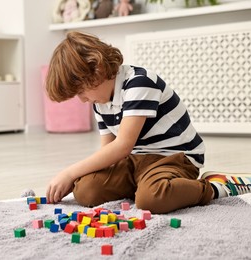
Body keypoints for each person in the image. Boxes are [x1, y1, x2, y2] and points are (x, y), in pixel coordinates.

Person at [44, 31, 251, 213]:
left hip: (174, 157)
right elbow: (108, 153)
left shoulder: (139, 83)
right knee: (86, 190)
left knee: (151, 199)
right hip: (136, 160)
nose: (82, 100)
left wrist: (70, 172)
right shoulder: (100, 101)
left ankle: (214, 187)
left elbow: (122, 146)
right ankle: (145, 184)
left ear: (97, 70)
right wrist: (85, 180)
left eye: (81, 91)